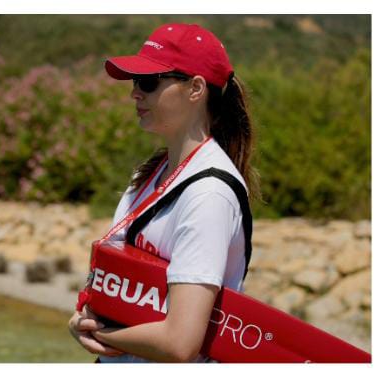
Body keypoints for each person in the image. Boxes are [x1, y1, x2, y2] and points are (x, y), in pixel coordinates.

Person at [67, 23, 261, 363]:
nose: (134, 94)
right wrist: (86, 316)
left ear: (196, 89)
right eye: (133, 82)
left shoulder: (210, 195)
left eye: (148, 82)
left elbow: (180, 342)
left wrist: (99, 335)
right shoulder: (150, 174)